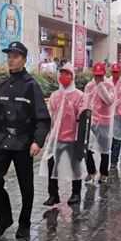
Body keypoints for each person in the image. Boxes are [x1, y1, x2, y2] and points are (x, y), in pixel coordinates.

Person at [0, 41, 51, 240]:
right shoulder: (3, 86)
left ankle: (24, 223)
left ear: (24, 60)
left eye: (15, 56)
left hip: (24, 141)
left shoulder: (31, 86)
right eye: (9, 56)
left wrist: (38, 141)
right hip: (3, 139)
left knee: (26, 185)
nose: (11, 60)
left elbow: (42, 118)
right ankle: (4, 220)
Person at [39, 62, 85, 206]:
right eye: (62, 74)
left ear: (73, 76)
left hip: (72, 137)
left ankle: (76, 193)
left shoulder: (79, 96)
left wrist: (80, 139)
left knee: (74, 165)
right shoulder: (55, 96)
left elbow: (83, 118)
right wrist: (47, 135)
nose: (64, 76)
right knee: (52, 164)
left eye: (67, 74)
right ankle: (53, 194)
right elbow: (50, 115)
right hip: (56, 137)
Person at [82, 62, 115, 184]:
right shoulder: (89, 86)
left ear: (104, 73)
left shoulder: (109, 85)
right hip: (90, 120)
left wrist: (100, 85)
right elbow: (86, 102)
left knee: (104, 148)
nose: (98, 77)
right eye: (96, 75)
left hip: (104, 121)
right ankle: (91, 170)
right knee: (86, 147)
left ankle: (104, 172)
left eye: (100, 75)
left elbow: (109, 101)